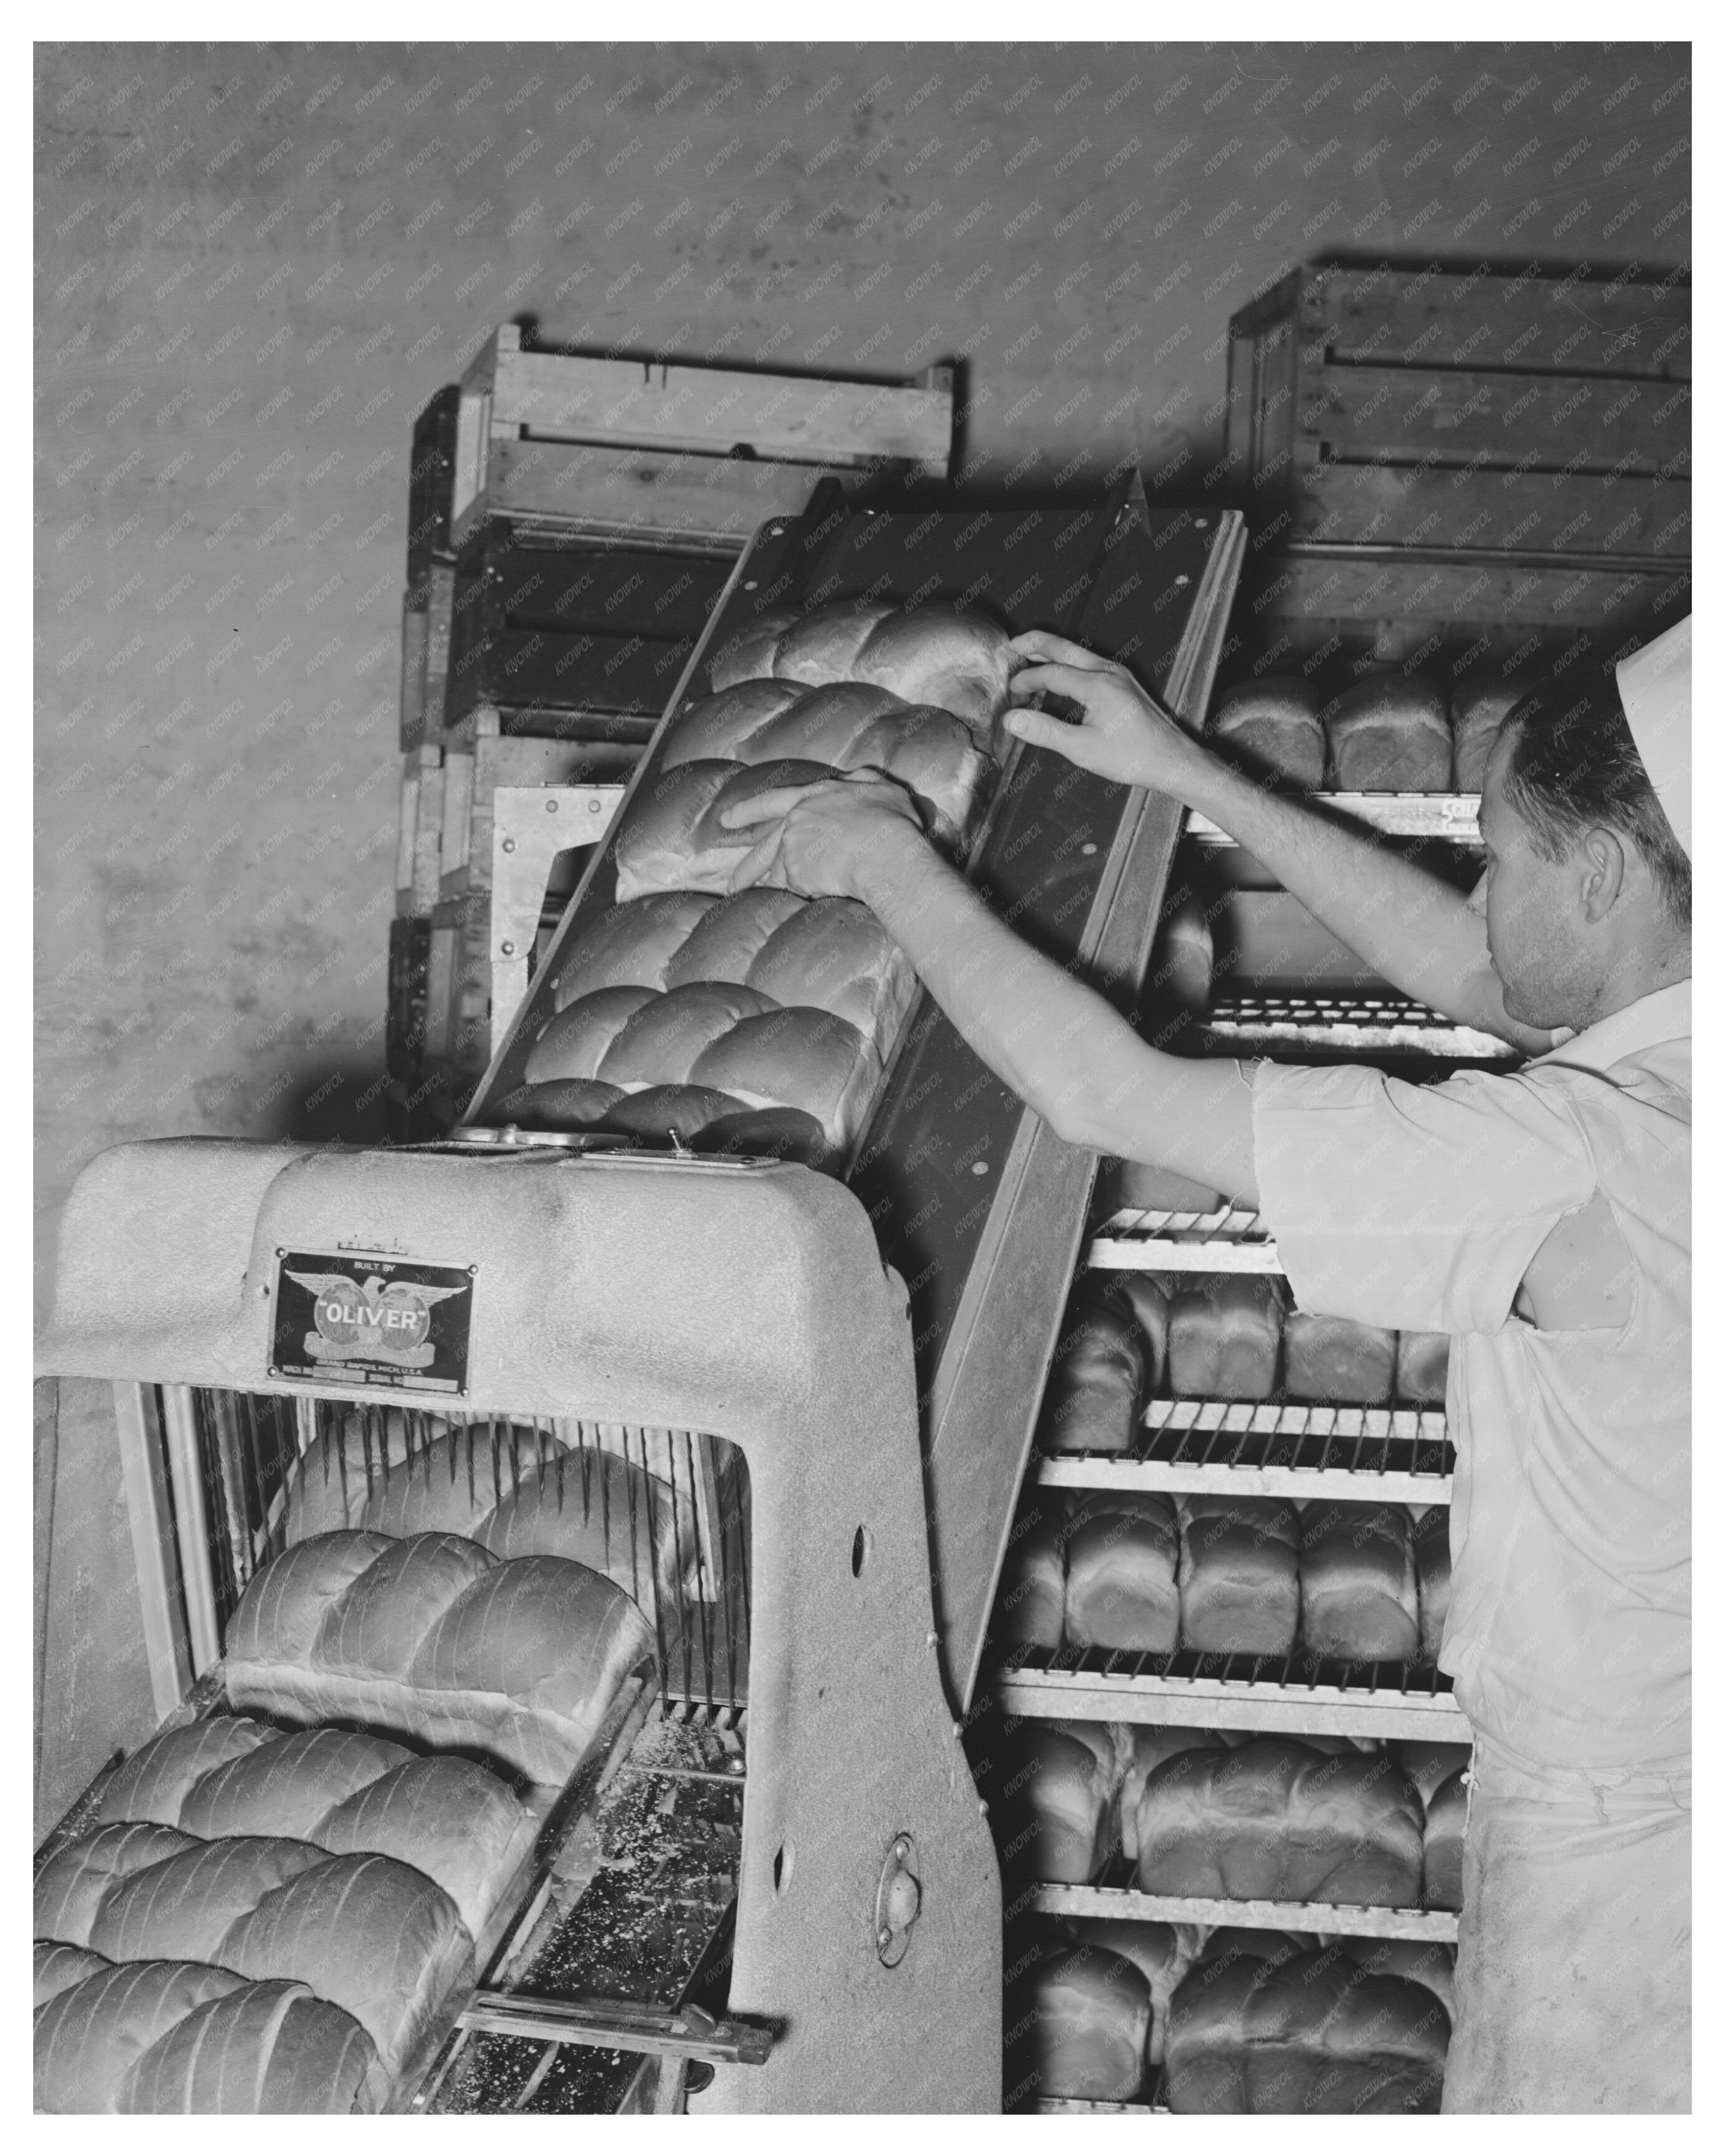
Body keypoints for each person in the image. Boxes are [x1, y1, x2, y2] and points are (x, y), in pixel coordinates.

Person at [719, 616, 1692, 2115]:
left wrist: (879, 861)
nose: (1477, 895)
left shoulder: (1576, 1157)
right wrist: (1185, 773)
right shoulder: (1667, 1069)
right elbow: (1502, 984)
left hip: (1617, 1855)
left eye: (1495, 857)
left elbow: (1102, 1090)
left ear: (1610, 875)